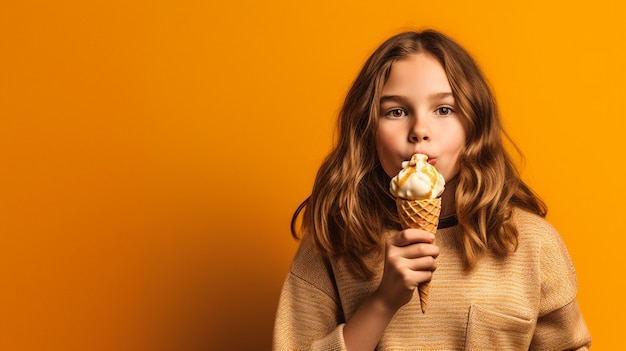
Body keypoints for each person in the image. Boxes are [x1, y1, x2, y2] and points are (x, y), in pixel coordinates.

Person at [273, 29, 591, 350]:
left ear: (473, 124)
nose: (420, 131)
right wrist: (383, 302)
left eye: (444, 110)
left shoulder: (531, 244)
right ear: (368, 128)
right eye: (396, 111)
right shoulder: (334, 240)